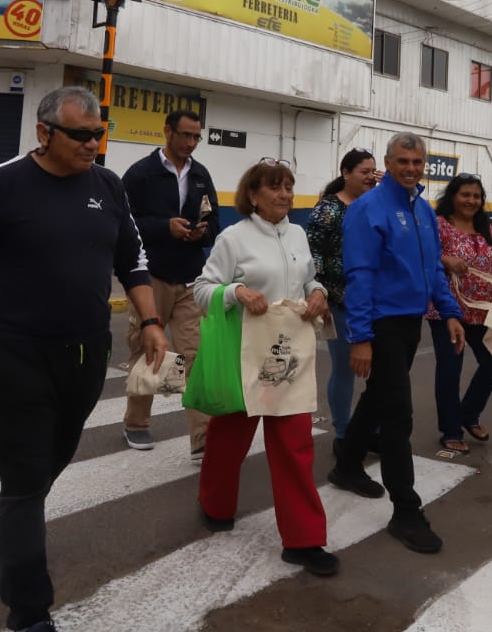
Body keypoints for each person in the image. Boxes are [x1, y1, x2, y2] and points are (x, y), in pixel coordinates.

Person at [0, 86, 167, 632]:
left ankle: (9, 527)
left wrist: (150, 319)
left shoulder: (107, 186)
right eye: (81, 134)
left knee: (53, 457)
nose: (92, 144)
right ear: (44, 133)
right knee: (28, 478)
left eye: (98, 133)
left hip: (85, 353)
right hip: (16, 351)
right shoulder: (1, 183)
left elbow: (132, 258)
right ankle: (30, 617)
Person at [193, 160, 336, 576]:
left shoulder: (297, 233)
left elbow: (308, 279)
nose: (285, 195)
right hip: (245, 356)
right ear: (252, 194)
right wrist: (236, 291)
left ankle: (304, 540)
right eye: (275, 187)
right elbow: (202, 290)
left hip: (289, 355)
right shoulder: (232, 238)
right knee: (228, 439)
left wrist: (318, 293)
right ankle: (214, 503)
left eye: (289, 186)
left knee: (294, 446)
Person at [329, 132, 465, 554]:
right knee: (398, 415)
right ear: (389, 163)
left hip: (411, 323)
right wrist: (361, 338)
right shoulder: (369, 209)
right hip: (382, 325)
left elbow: (434, 272)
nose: (411, 168)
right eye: (403, 161)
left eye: (417, 162)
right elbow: (360, 275)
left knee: (378, 399)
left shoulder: (423, 210)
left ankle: (348, 464)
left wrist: (451, 312)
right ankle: (406, 510)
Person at [120, 107, 221, 455]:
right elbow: (124, 225)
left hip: (192, 279)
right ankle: (136, 424)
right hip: (152, 277)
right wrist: (165, 226)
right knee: (150, 349)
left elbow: (215, 221)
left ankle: (202, 440)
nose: (192, 143)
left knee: (195, 355)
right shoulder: (141, 174)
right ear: (167, 131)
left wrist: (202, 233)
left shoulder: (201, 175)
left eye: (197, 136)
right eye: (186, 135)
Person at [430, 173, 492, 454]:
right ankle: (451, 430)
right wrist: (446, 259)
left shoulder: (485, 227)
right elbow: (425, 257)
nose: (471, 201)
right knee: (450, 369)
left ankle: (468, 413)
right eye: (465, 195)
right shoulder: (440, 225)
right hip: (448, 310)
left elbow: (491, 263)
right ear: (452, 196)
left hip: (483, 309)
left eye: (476, 196)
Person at [303, 148, 379, 453]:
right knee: (346, 368)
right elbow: (313, 254)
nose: (371, 177)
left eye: (374, 171)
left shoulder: (375, 205)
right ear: (345, 173)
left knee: (382, 370)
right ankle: (344, 433)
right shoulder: (329, 209)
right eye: (364, 171)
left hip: (376, 300)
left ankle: (370, 428)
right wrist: (320, 291)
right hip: (340, 301)